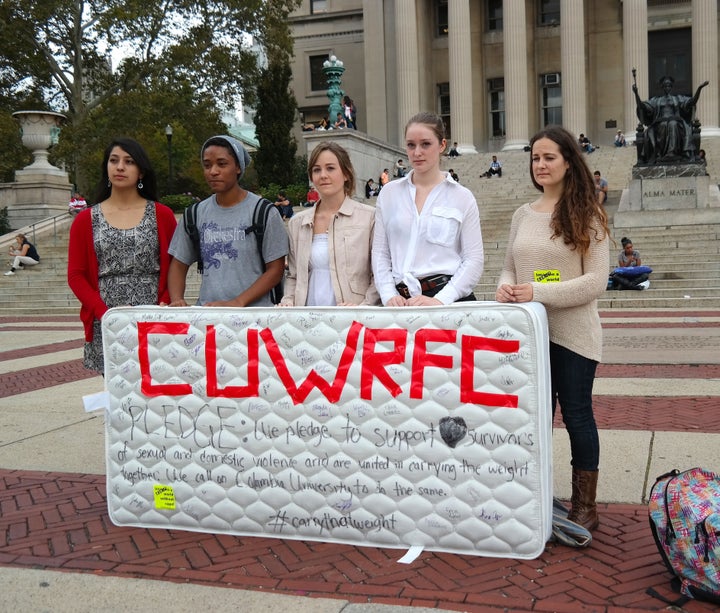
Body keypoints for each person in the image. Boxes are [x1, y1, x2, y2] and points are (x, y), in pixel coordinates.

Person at [495, 126, 610, 531]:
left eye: (549, 158)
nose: (540, 165)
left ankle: (585, 505)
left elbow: (595, 281)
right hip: (528, 336)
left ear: (567, 162)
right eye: (535, 158)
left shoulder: (587, 214)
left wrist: (537, 291)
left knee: (577, 416)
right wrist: (505, 287)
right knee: (533, 418)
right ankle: (534, 492)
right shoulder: (522, 214)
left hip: (573, 334)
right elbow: (510, 263)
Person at [67, 137, 177, 374]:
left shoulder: (163, 215)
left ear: (141, 172)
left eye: (129, 161)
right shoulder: (85, 219)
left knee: (156, 389)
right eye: (114, 160)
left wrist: (163, 304)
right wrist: (105, 313)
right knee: (117, 395)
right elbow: (76, 275)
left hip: (153, 314)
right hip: (107, 318)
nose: (120, 167)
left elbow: (175, 266)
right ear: (106, 168)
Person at [372, 111, 484, 306]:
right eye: (410, 145)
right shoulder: (389, 193)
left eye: (425, 144)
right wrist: (388, 294)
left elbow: (473, 259)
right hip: (399, 302)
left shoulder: (462, 197)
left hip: (447, 298)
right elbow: (380, 253)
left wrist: (441, 299)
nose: (417, 152)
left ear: (442, 145)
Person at [167, 135, 288, 307]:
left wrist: (238, 302)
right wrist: (177, 299)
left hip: (255, 319)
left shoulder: (263, 212)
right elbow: (178, 264)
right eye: (207, 165)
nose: (213, 171)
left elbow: (276, 269)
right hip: (208, 319)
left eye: (222, 164)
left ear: (238, 167)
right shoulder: (194, 214)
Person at [280, 142, 379, 307]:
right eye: (317, 170)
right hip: (306, 321)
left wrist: (364, 306)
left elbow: (379, 274)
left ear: (346, 174)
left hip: (352, 320)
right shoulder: (298, 222)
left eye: (330, 168)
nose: (323, 175)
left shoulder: (369, 217)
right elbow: (293, 275)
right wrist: (288, 301)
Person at [633, 75, 708, 164]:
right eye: (665, 86)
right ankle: (662, 154)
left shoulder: (677, 99)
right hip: (660, 123)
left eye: (669, 86)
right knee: (664, 125)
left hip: (676, 122)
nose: (667, 88)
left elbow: (692, 101)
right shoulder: (656, 100)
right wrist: (636, 93)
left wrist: (699, 89)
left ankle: (672, 153)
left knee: (672, 124)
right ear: (662, 87)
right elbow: (642, 106)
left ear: (671, 87)